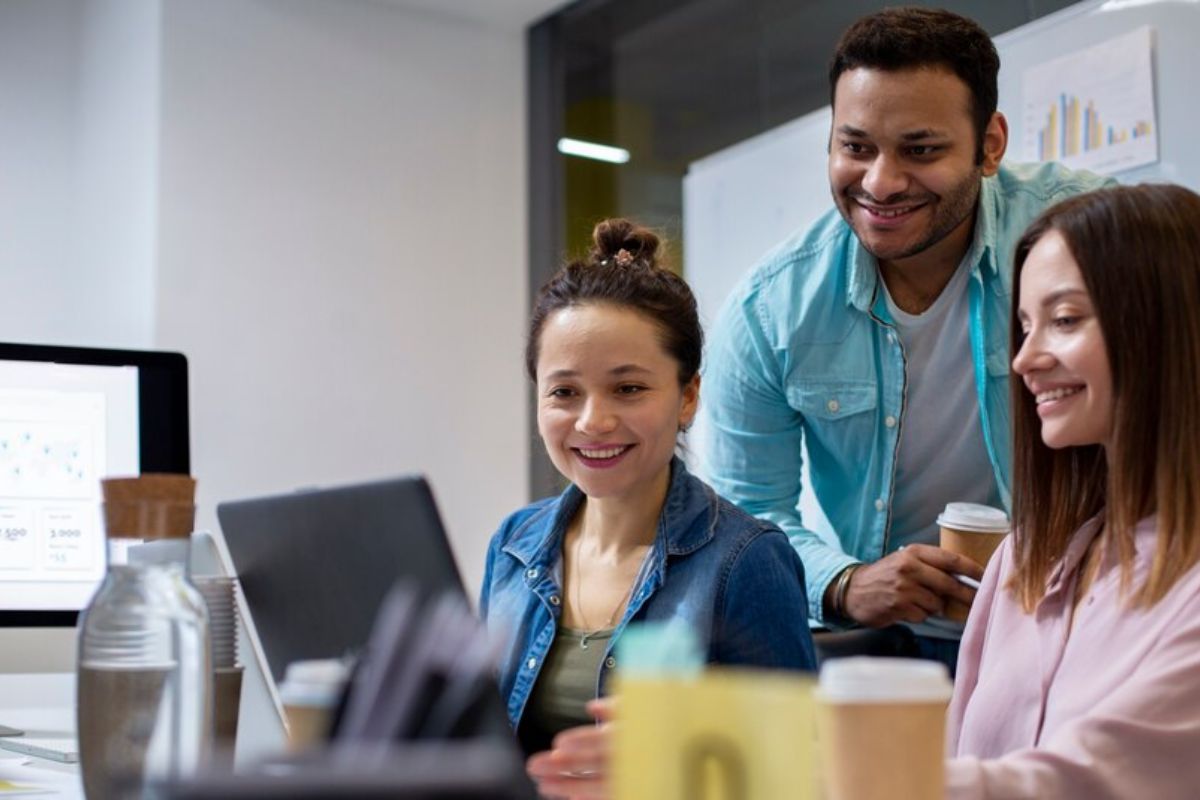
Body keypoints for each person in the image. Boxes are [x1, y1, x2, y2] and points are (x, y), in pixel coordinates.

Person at [700, 7, 1112, 665]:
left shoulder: (1083, 232)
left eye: (921, 150)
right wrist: (844, 582)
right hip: (900, 643)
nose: (882, 183)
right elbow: (741, 517)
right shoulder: (770, 310)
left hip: (1087, 618)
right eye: (855, 146)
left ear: (991, 144)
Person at [479, 219, 816, 764]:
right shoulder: (514, 546)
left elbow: (796, 768)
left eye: (628, 388)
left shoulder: (745, 560)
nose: (593, 421)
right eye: (564, 391)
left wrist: (667, 762)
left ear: (687, 398)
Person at [945, 183, 1200, 796]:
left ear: (1166, 326)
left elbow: (1085, 783)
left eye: (1064, 320)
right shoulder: (1022, 558)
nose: (1024, 359)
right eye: (1026, 326)